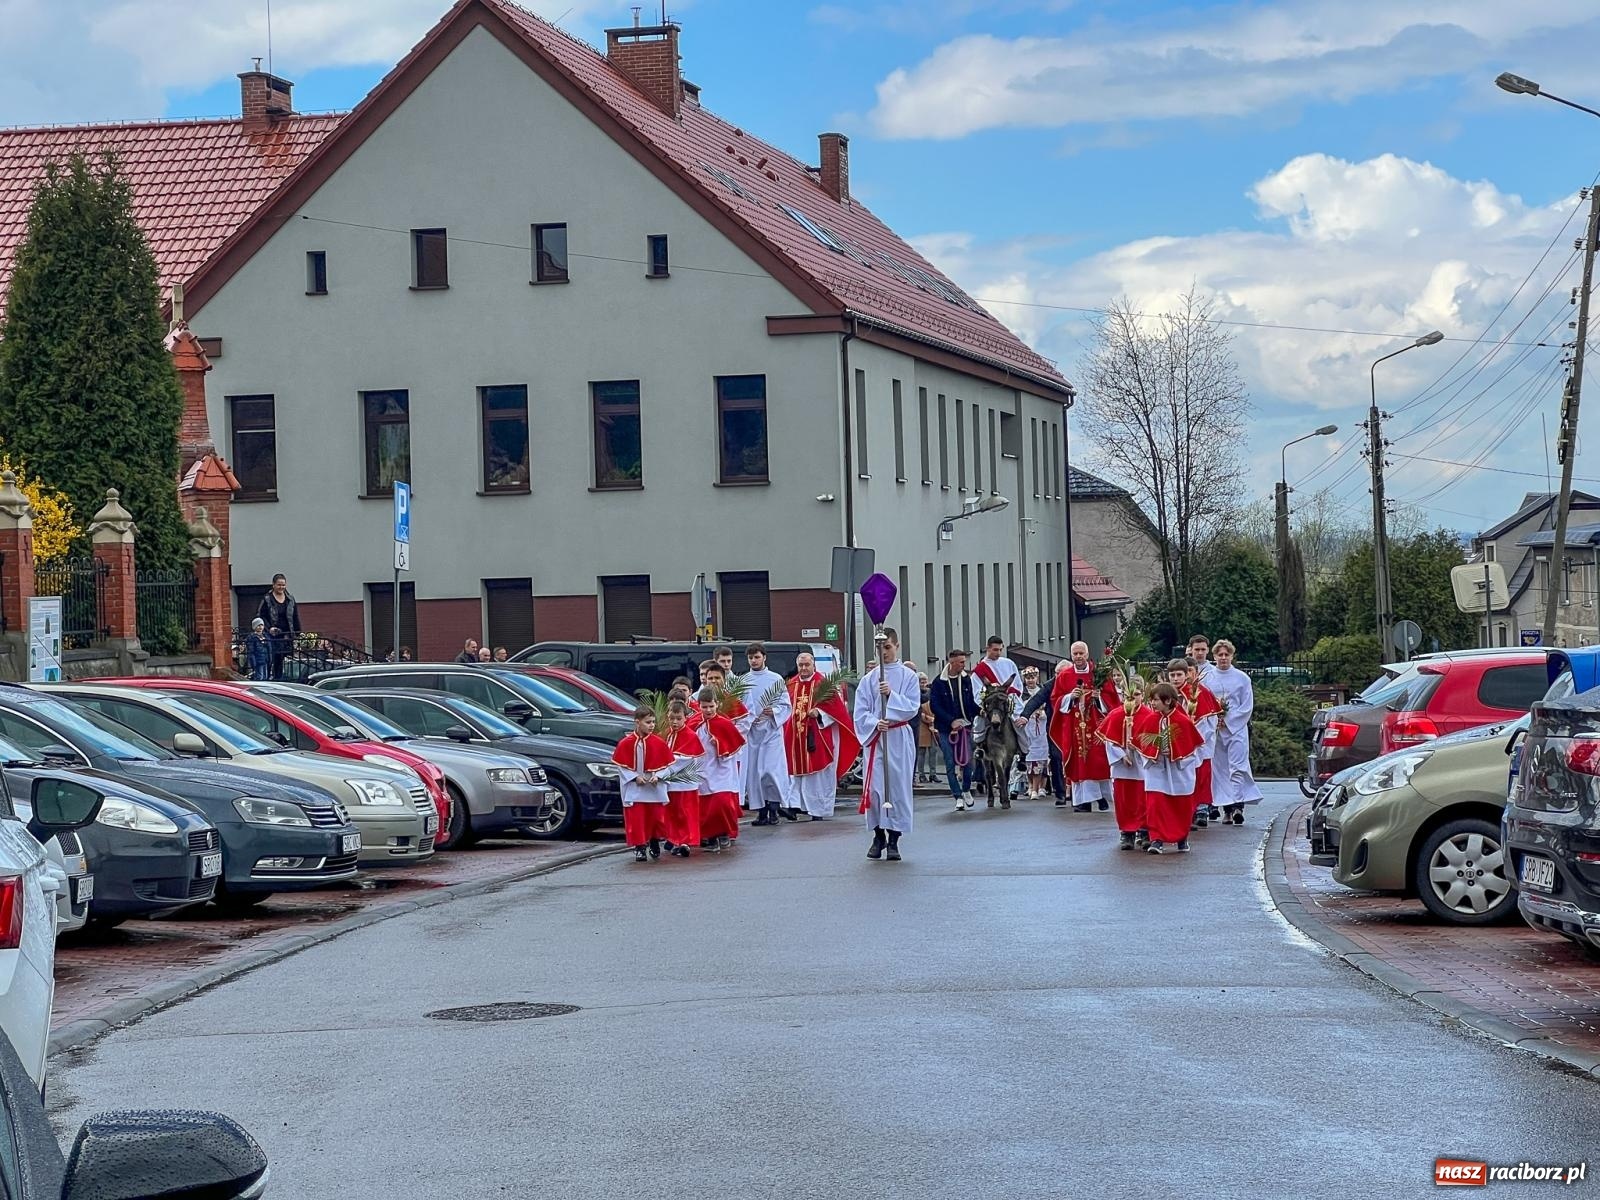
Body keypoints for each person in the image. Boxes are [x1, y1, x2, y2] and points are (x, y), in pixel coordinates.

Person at [853, 627, 919, 861]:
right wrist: (874, 722)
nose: (884, 653)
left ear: (897, 646)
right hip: (876, 739)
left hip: (898, 738)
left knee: (897, 789)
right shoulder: (868, 680)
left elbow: (912, 707)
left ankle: (894, 840)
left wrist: (891, 695)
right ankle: (878, 834)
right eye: (880, 648)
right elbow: (860, 713)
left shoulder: (908, 676)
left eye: (888, 647)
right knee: (875, 790)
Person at [784, 651, 860, 820]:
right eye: (801, 665)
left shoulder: (823, 684)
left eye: (807, 665)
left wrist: (819, 713)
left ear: (813, 665)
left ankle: (818, 810)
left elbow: (837, 711)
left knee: (817, 777)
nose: (803, 668)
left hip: (818, 737)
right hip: (795, 738)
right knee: (796, 775)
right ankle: (795, 806)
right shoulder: (791, 685)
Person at [1133, 682, 1204, 854]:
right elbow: (1140, 743)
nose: (1153, 703)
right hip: (1157, 770)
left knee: (1180, 806)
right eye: (1151, 699)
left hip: (1179, 772)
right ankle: (1156, 840)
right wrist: (1155, 751)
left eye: (1156, 700)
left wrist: (1174, 752)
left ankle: (1182, 839)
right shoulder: (1150, 719)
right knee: (1155, 804)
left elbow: (1193, 749)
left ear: (1167, 701)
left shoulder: (1183, 721)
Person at [1048, 641, 1113, 812]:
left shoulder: (1099, 673)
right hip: (1075, 725)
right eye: (1075, 654)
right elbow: (1055, 699)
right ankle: (1083, 801)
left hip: (1096, 724)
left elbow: (1112, 699)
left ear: (1087, 653)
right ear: (1071, 655)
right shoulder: (1064, 676)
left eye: (1081, 653)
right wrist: (1070, 697)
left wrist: (1099, 697)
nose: (1078, 657)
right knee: (1079, 762)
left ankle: (1100, 797)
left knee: (1097, 761)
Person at [1208, 639, 1263, 825]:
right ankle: (1227, 809)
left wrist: (1229, 720)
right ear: (1214, 656)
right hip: (1215, 729)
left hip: (1236, 729)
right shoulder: (1208, 678)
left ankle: (1239, 805)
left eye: (1227, 654)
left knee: (1237, 766)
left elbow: (1247, 706)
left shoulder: (1242, 678)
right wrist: (1215, 719)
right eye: (1220, 655)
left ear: (1232, 656)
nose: (1223, 658)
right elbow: (1205, 703)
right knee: (1220, 769)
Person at [739, 642, 794, 825]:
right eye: (750, 657)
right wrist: (747, 718)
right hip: (752, 732)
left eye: (757, 657)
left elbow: (786, 705)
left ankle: (774, 808)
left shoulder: (775, 679)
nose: (754, 661)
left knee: (771, 771)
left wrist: (775, 711)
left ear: (764, 657)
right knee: (755, 773)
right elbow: (739, 707)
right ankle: (761, 811)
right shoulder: (743, 681)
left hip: (771, 732)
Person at [612, 705, 674, 863]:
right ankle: (639, 847)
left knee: (655, 818)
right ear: (637, 722)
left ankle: (653, 840)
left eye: (653, 722)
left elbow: (668, 766)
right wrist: (633, 777)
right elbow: (621, 766)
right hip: (636, 788)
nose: (652, 725)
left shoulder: (659, 743)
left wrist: (658, 776)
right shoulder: (626, 743)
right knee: (637, 819)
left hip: (653, 788)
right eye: (648, 722)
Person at [689, 687, 745, 852]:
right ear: (698, 706)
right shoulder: (693, 724)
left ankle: (724, 833)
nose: (708, 710)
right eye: (704, 707)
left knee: (722, 803)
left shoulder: (724, 723)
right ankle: (711, 836)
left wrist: (720, 745)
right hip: (703, 770)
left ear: (717, 704)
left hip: (722, 769)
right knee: (706, 808)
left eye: (711, 706)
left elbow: (737, 748)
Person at [1097, 673, 1149, 850]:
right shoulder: (1116, 714)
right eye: (1128, 696)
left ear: (1143, 694)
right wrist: (1121, 755)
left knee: (1143, 799)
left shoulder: (1149, 715)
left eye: (1136, 695)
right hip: (1123, 767)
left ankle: (1144, 830)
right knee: (1124, 799)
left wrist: (1139, 750)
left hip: (1142, 766)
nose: (1132, 700)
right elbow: (1109, 740)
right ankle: (1127, 832)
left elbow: (1153, 740)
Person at [928, 648, 981, 811]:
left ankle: (966, 790)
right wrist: (951, 721)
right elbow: (934, 706)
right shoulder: (938, 682)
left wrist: (982, 711)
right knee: (950, 762)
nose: (964, 665)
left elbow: (970, 702)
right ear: (952, 663)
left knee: (968, 762)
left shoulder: (966, 680)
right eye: (961, 662)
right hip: (945, 728)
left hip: (964, 725)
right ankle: (957, 796)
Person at [1172, 657, 1221, 830]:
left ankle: (1201, 809)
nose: (1176, 678)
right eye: (1173, 675)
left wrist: (1196, 739)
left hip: (1200, 743)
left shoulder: (1201, 692)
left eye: (1180, 674)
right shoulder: (1168, 693)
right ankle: (1185, 811)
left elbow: (1210, 720)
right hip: (1176, 743)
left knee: (1201, 775)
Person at [660, 699, 703, 857]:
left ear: (686, 717)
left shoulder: (690, 736)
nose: (675, 722)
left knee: (685, 812)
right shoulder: (669, 734)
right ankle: (675, 839)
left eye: (678, 718)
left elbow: (684, 758)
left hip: (685, 782)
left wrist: (665, 763)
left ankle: (686, 841)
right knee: (673, 812)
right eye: (672, 718)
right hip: (672, 782)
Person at [256, 574, 301, 681]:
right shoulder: (267, 599)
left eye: (283, 585)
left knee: (283, 658)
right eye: (279, 585)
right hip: (273, 634)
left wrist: (298, 633)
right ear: (273, 585)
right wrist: (268, 628)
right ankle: (273, 678)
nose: (281, 587)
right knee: (273, 658)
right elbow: (261, 615)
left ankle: (281, 678)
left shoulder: (290, 599)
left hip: (286, 634)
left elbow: (295, 616)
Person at [1018, 666, 1051, 799]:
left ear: (1037, 678)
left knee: (1042, 756)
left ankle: (1042, 786)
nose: (1030, 680)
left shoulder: (1042, 691)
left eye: (1033, 677)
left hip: (1041, 726)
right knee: (1029, 756)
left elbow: (1048, 706)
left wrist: (1042, 713)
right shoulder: (1022, 693)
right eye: (1028, 678)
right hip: (1028, 726)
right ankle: (1031, 785)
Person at [916, 673, 940, 783]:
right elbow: (916, 710)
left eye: (925, 681)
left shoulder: (932, 693)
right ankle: (921, 774)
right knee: (921, 752)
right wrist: (928, 719)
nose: (924, 683)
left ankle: (933, 774)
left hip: (933, 725)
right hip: (922, 725)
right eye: (921, 681)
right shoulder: (915, 693)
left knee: (933, 751)